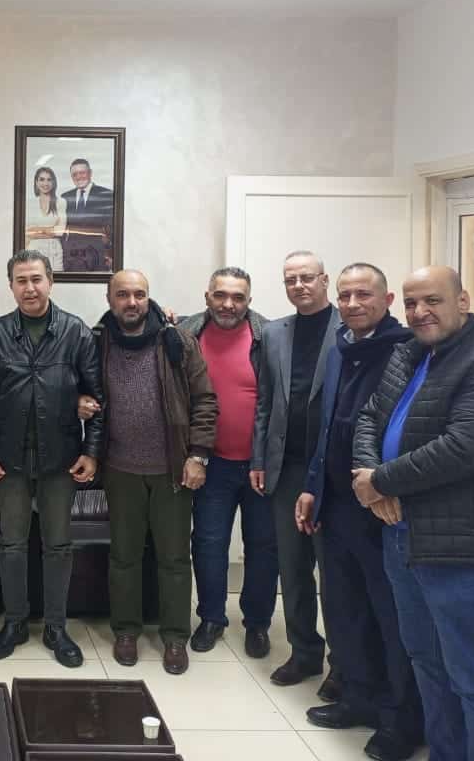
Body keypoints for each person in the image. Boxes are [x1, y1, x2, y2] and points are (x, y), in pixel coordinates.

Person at [352, 266, 474, 761]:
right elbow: (369, 417)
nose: (419, 312)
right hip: (402, 535)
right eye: (411, 303)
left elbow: (463, 448)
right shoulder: (409, 355)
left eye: (432, 300)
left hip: (466, 549)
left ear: (463, 301)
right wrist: (370, 476)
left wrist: (381, 481)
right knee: (426, 664)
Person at [294, 264, 421, 761]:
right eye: (345, 295)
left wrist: (384, 484)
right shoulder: (341, 347)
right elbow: (328, 428)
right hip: (337, 502)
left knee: (389, 616)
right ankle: (358, 698)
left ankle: (400, 720)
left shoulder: (406, 351)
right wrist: (312, 488)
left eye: (363, 294)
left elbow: (406, 432)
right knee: (345, 609)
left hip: (382, 506)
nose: (351, 303)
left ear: (386, 300)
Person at [0, 249, 102, 668]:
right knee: (11, 543)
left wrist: (91, 452)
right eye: (21, 281)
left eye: (36, 279)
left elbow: (96, 398)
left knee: (58, 545)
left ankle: (56, 627)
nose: (29, 288)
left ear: (51, 282)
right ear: (11, 286)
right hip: (8, 459)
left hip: (60, 458)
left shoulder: (75, 332)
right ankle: (14, 623)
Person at [88, 269, 217, 674]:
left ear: (149, 298)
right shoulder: (96, 341)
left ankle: (175, 637)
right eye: (123, 294)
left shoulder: (177, 341)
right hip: (119, 469)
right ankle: (126, 631)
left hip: (172, 471)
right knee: (124, 557)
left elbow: (205, 400)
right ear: (110, 299)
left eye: (139, 294)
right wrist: (79, 401)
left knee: (174, 558)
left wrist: (198, 456)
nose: (132, 302)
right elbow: (80, 388)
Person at [179, 267, 279, 660]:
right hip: (209, 463)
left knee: (263, 546)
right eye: (220, 295)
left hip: (260, 465)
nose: (228, 304)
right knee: (208, 543)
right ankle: (211, 618)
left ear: (249, 301)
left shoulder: (270, 336)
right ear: (207, 296)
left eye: (238, 297)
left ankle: (257, 623)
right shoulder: (187, 332)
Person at [252, 250, 341, 693]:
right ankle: (304, 652)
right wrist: (258, 459)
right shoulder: (273, 332)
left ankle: (343, 663)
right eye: (291, 280)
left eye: (307, 277)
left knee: (336, 572)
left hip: (334, 474)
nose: (299, 285)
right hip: (286, 468)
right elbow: (264, 402)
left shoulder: (349, 327)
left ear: (324, 279)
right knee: (292, 567)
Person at [60, 158, 115, 271]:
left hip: (98, 257)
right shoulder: (65, 197)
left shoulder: (107, 195)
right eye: (75, 174)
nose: (78, 177)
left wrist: (111, 254)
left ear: (90, 173)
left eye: (82, 172)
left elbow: (114, 229)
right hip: (71, 258)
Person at [24, 166, 66, 272]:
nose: (45, 183)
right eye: (42, 179)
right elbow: (27, 232)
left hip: (54, 251)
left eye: (49, 179)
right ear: (36, 182)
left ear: (53, 182)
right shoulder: (29, 203)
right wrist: (51, 230)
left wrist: (36, 230)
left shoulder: (61, 202)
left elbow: (60, 231)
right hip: (33, 251)